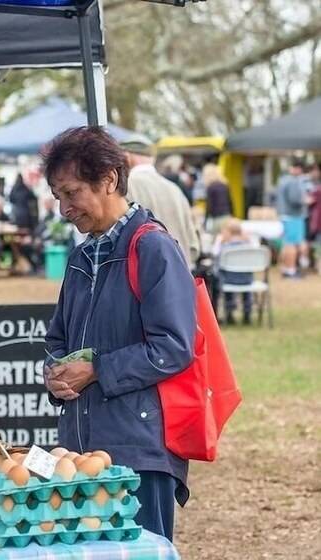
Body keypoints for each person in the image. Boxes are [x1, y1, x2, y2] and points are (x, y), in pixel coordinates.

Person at [42, 126, 195, 542]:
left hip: (138, 451)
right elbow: (58, 339)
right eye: (58, 197)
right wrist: (55, 370)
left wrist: (96, 370)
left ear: (109, 178)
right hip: (81, 448)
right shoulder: (80, 256)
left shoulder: (153, 248)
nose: (64, 209)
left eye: (71, 193)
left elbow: (174, 347)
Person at [122, 137, 199, 269]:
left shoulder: (124, 188)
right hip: (182, 276)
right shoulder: (175, 190)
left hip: (146, 278)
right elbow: (194, 245)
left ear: (127, 157)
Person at [213, 219, 255, 325]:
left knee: (223, 277)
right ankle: (247, 312)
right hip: (247, 280)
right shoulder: (249, 246)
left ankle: (229, 312)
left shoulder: (224, 247)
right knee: (246, 290)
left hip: (228, 280)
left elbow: (214, 254)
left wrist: (219, 241)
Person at [275, 158, 310, 278]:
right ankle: (291, 270)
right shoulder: (294, 181)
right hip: (293, 216)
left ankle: (285, 268)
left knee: (286, 244)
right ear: (299, 169)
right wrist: (306, 200)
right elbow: (294, 199)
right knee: (292, 245)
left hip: (284, 215)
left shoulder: (282, 180)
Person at [203, 163, 232, 235]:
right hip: (227, 216)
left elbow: (209, 206)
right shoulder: (224, 185)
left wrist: (205, 221)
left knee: (215, 241)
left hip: (217, 219)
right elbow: (230, 202)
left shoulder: (210, 187)